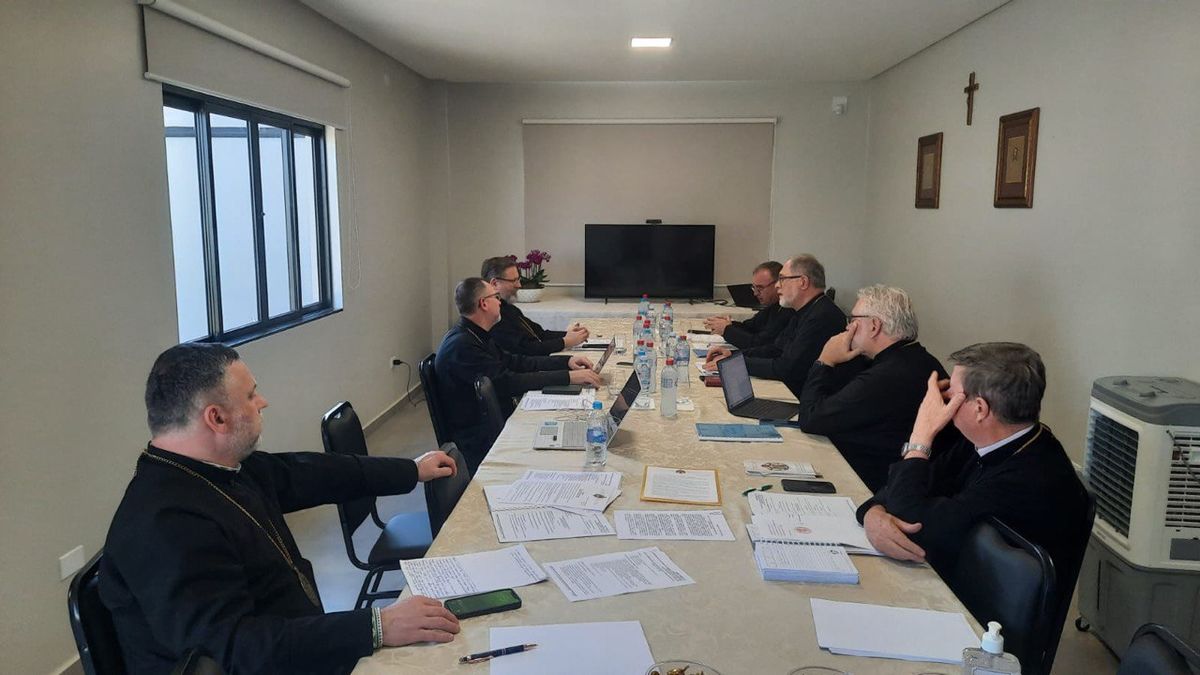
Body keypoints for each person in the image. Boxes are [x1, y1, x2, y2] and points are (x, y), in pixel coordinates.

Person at [100, 343, 462, 675]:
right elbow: (238, 648)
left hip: (299, 646)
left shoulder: (222, 466)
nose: (263, 402)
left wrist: (411, 470)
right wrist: (378, 626)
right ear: (217, 418)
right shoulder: (166, 524)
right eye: (250, 394)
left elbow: (310, 473)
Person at [856, 342, 1089, 583]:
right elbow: (903, 490)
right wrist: (873, 513)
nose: (944, 401)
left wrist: (921, 436)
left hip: (972, 598)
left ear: (980, 409)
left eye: (952, 393)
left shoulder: (1032, 477)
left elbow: (913, 523)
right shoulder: (986, 439)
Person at [435, 277, 600, 474]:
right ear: (484, 304)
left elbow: (516, 362)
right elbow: (508, 382)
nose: (500, 303)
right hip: (480, 436)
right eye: (496, 297)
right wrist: (568, 378)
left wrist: (566, 362)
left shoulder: (476, 334)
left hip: (493, 416)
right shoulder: (462, 346)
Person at [794, 285, 946, 490]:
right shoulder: (915, 358)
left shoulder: (888, 374)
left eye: (853, 320)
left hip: (876, 483)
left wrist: (825, 361)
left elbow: (811, 418)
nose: (848, 328)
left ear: (874, 326)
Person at [705, 254, 845, 399]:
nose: (777, 285)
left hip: (811, 400)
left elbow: (786, 369)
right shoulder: (805, 310)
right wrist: (733, 356)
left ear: (803, 282)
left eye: (782, 279)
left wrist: (735, 364)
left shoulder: (822, 317)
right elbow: (775, 349)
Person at [481, 256, 589, 355]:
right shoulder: (493, 317)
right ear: (495, 283)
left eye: (518, 279)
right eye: (513, 281)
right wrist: (565, 341)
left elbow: (540, 334)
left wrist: (569, 335)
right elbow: (526, 349)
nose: (519, 285)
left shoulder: (510, 309)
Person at [703, 261, 794, 349]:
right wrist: (729, 324)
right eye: (754, 288)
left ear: (778, 283)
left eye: (760, 288)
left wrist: (727, 330)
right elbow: (750, 327)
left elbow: (760, 343)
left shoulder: (788, 310)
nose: (755, 293)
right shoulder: (773, 307)